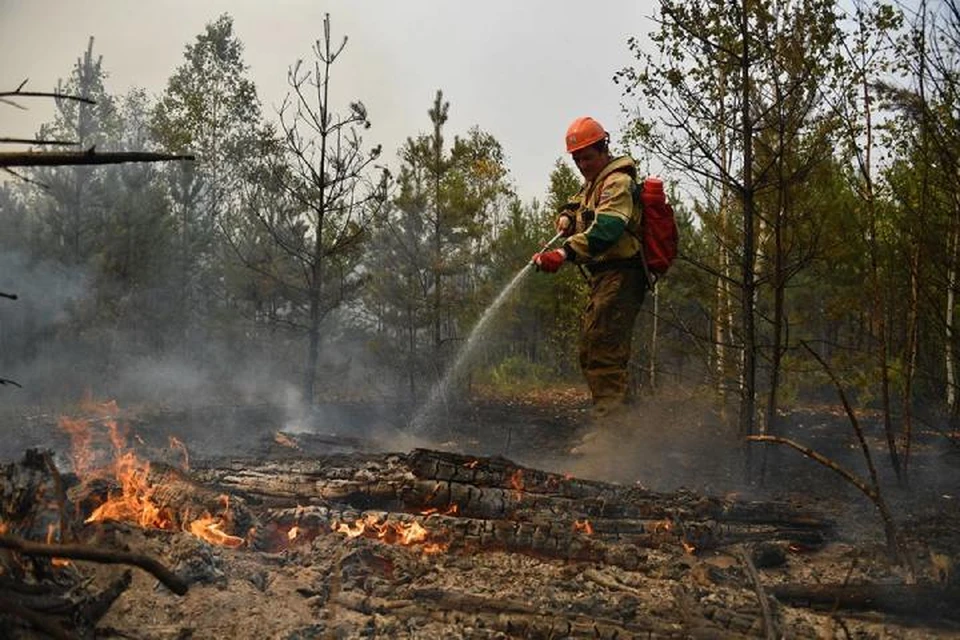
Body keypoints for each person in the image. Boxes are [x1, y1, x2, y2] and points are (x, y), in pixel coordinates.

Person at [532, 116, 648, 433]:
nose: (582, 164)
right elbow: (580, 202)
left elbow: (608, 228)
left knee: (602, 349)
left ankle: (612, 437)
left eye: (587, 156)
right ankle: (622, 422)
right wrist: (568, 215)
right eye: (577, 159)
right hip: (605, 277)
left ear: (603, 149)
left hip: (622, 274)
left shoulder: (617, 182)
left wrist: (564, 253)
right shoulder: (595, 182)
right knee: (592, 348)